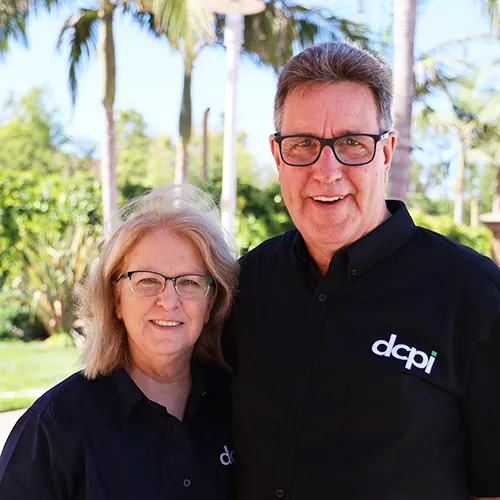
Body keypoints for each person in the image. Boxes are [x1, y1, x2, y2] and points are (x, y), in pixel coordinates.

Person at [225, 41, 500, 500]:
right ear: (278, 157)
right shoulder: (243, 285)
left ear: (386, 152)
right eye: (303, 144)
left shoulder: (473, 294)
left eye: (352, 143)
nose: (326, 170)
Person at [0, 184, 239, 500]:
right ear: (115, 299)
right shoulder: (57, 425)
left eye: (190, 282)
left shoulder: (239, 406)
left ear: (211, 303)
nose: (169, 301)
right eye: (147, 281)